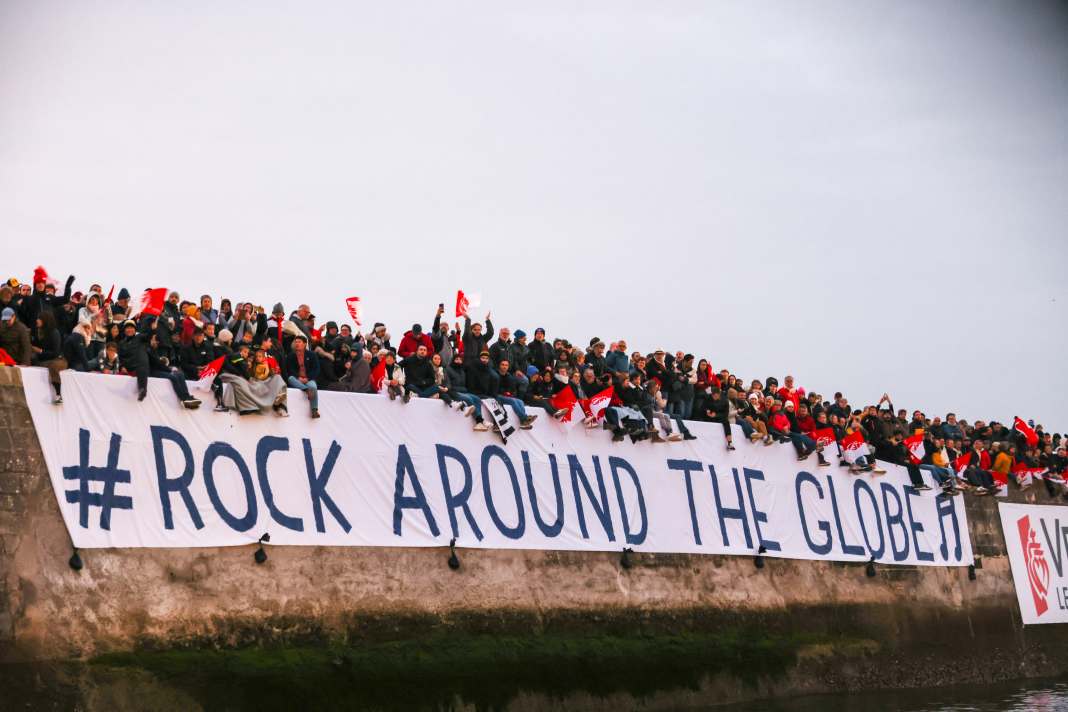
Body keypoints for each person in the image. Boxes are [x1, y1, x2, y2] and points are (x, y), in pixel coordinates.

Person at [31, 311, 67, 403]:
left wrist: (40, 351)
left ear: (45, 320)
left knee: (53, 366)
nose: (37, 320)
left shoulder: (54, 333)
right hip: (45, 359)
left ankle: (58, 394)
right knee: (33, 361)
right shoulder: (38, 332)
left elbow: (55, 353)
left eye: (39, 319)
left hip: (59, 359)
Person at [285, 334, 320, 417]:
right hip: (297, 379)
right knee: (290, 378)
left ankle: (314, 410)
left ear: (304, 344)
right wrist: (298, 377)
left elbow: (316, 369)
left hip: (309, 379)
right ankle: (307, 390)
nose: (297, 344)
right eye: (295, 342)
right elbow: (289, 369)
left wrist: (308, 378)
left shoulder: (312, 355)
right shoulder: (291, 356)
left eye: (299, 342)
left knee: (313, 387)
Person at [248, 347, 289, 416]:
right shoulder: (252, 363)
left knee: (278, 378)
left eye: (260, 356)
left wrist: (272, 371)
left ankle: (280, 406)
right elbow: (250, 375)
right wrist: (249, 367)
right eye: (256, 356)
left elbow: (274, 372)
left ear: (264, 357)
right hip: (256, 381)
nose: (257, 358)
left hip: (267, 381)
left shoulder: (269, 362)